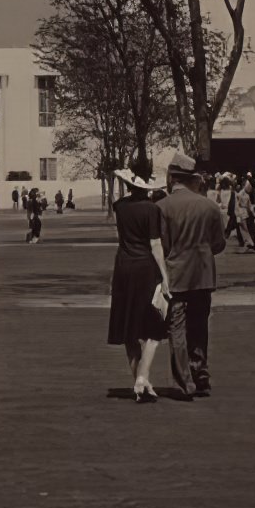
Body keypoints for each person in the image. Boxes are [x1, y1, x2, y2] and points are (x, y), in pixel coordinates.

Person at [157, 152, 227, 398]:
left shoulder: (162, 208)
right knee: (199, 326)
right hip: (204, 275)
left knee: (176, 328)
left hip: (176, 276)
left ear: (172, 177)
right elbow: (219, 244)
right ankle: (201, 371)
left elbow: (161, 246)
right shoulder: (209, 206)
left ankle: (184, 379)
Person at [107, 169, 170, 402]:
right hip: (145, 267)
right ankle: (142, 377)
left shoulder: (120, 207)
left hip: (123, 266)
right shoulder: (152, 209)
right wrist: (165, 276)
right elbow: (155, 244)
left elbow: (121, 207)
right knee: (154, 326)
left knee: (128, 328)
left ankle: (139, 381)